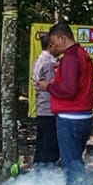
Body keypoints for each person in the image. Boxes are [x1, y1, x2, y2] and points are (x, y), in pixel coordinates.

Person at [37, 22, 93, 185]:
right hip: (83, 116)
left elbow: (69, 90)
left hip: (71, 118)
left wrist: (48, 87)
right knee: (76, 162)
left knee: (71, 166)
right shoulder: (81, 53)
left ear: (63, 38)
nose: (53, 46)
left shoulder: (70, 57)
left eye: (54, 42)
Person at [31, 33, 60, 168]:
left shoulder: (38, 60)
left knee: (41, 143)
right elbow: (55, 84)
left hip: (42, 107)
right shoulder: (50, 63)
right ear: (51, 45)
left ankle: (37, 173)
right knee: (49, 145)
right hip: (49, 108)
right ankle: (46, 174)